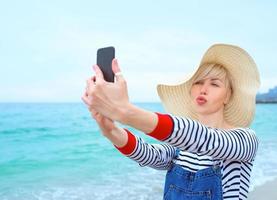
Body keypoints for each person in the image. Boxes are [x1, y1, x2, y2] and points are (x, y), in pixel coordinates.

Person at [82, 44, 261, 200]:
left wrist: (126, 112)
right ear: (191, 91)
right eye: (198, 82)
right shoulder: (180, 149)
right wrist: (110, 130)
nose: (204, 89)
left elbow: (205, 139)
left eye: (214, 84)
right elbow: (148, 153)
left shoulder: (244, 140)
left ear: (228, 95)